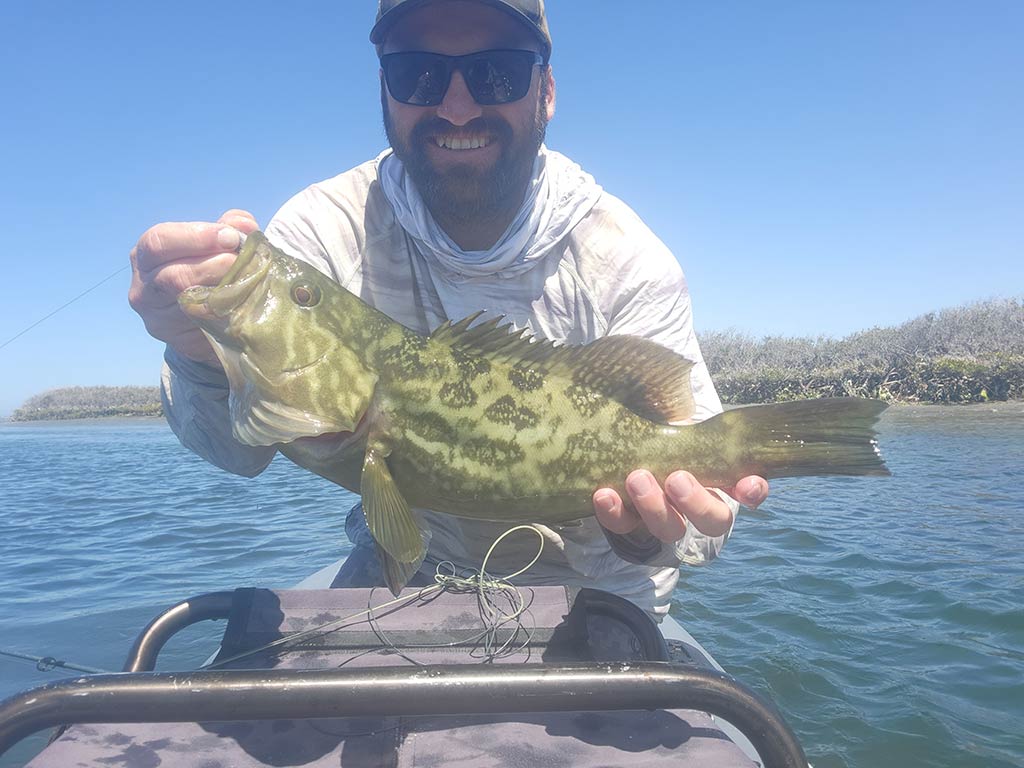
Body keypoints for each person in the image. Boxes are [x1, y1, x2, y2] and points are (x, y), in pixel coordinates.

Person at [128, 0, 769, 619]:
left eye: (498, 72)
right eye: (419, 73)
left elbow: (704, 520)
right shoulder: (323, 233)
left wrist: (642, 531)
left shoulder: (627, 259)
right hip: (406, 579)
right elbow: (236, 453)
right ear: (384, 92)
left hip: (596, 595)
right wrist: (199, 352)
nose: (457, 106)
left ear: (545, 92)